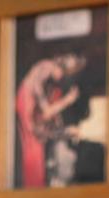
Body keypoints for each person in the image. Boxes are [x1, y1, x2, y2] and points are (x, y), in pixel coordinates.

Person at [15, 53, 83, 188]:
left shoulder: (45, 79)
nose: (61, 77)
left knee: (36, 155)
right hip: (31, 120)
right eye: (63, 73)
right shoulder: (46, 67)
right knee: (34, 157)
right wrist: (67, 101)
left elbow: (47, 115)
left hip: (34, 122)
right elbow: (46, 112)